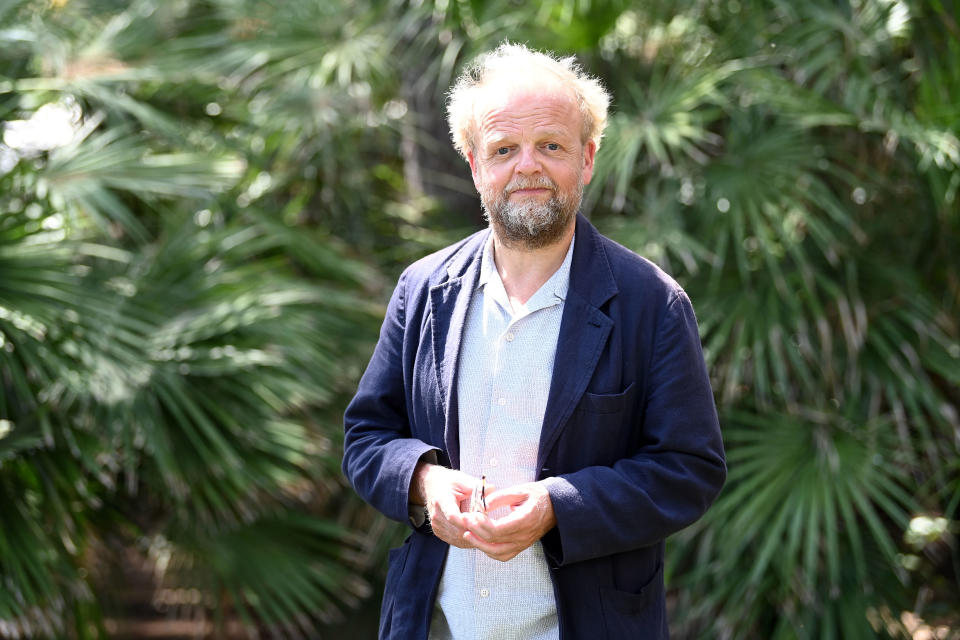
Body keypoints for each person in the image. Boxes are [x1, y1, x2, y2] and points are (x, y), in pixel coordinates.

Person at [342, 42, 726, 640]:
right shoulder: (422, 290)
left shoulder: (651, 302)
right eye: (503, 149)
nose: (527, 166)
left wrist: (559, 505)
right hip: (434, 625)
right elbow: (366, 438)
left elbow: (689, 469)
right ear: (474, 164)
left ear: (588, 158)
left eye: (551, 145)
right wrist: (424, 480)